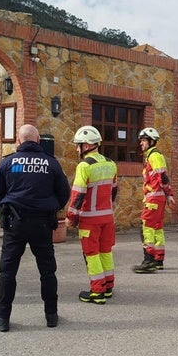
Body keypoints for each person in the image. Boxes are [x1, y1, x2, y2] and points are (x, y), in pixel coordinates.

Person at [0, 124, 71, 332]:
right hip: (43, 223)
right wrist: (53, 208)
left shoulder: (8, 162)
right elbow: (64, 192)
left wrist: (4, 211)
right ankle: (51, 315)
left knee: (8, 272)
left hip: (14, 223)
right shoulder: (50, 163)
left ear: (18, 141)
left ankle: (3, 317)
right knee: (47, 271)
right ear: (37, 141)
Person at [66, 125, 118, 305]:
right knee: (105, 252)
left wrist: (71, 217)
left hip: (90, 219)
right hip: (107, 217)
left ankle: (97, 291)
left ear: (87, 146)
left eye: (78, 144)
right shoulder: (111, 163)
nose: (76, 148)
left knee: (91, 253)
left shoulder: (84, 166)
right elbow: (114, 192)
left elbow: (78, 194)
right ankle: (108, 286)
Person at [132, 127, 175, 274]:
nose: (141, 144)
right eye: (141, 141)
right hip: (157, 198)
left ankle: (149, 260)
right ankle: (158, 260)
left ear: (151, 141)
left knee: (146, 228)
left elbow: (162, 176)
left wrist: (169, 193)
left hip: (154, 199)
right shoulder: (152, 156)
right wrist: (168, 195)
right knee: (156, 228)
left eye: (143, 141)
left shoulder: (154, 156)